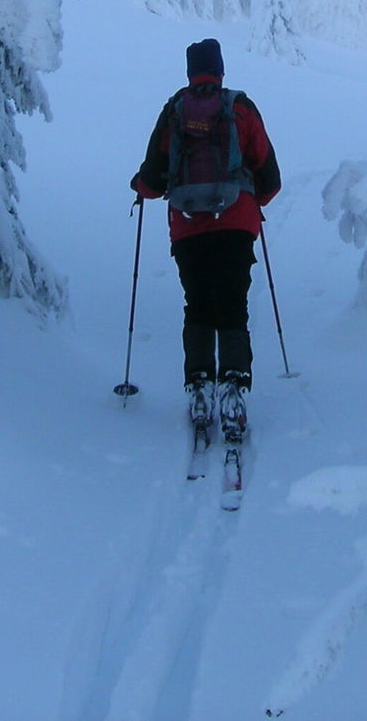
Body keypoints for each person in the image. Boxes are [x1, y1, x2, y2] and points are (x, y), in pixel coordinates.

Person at [131, 38, 281, 439]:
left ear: (189, 70)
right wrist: (251, 202)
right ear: (220, 70)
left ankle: (199, 386)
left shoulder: (175, 110)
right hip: (236, 223)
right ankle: (233, 389)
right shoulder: (240, 108)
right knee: (233, 304)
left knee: (197, 303)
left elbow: (153, 174)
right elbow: (269, 175)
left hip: (187, 225)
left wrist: (140, 188)